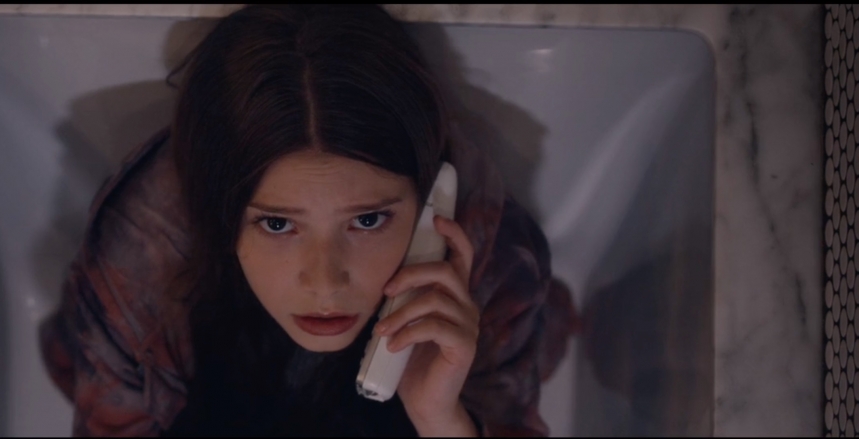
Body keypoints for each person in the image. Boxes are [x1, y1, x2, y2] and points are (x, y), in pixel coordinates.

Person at [38, 4, 576, 437]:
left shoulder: (485, 247)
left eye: (368, 220)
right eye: (277, 225)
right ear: (222, 214)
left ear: (424, 204)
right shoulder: (141, 258)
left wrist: (442, 420)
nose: (325, 283)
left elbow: (510, 412)